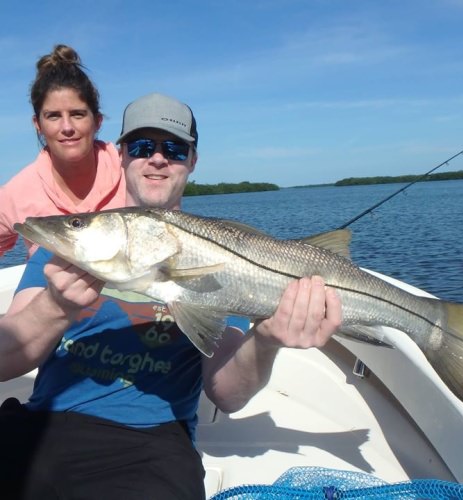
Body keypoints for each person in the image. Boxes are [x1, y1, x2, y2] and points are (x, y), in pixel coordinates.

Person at [0, 93, 342, 499]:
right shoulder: (66, 251)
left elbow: (227, 395)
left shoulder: (219, 260)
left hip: (152, 445)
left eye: (174, 148)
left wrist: (266, 341)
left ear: (192, 161)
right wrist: (54, 307)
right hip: (42, 424)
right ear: (121, 154)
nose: (157, 159)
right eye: (142, 146)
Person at [0, 44, 125, 260]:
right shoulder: (16, 193)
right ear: (37, 124)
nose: (67, 127)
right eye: (53, 116)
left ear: (97, 121)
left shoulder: (130, 169)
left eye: (77, 114)